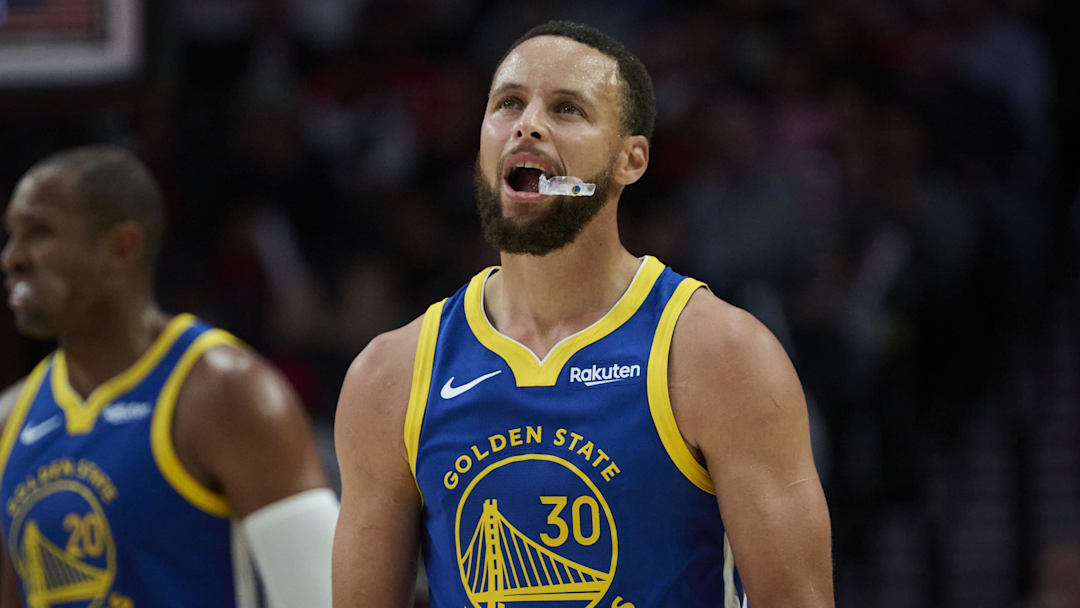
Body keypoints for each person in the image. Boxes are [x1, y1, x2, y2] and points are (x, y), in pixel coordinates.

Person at [333, 20, 834, 608]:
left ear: (631, 161)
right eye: (508, 104)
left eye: (567, 109)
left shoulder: (720, 354)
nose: (528, 124)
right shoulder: (388, 377)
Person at [0, 146, 338, 608]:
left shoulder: (228, 392)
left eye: (39, 233)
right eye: (11, 236)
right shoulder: (9, 419)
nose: (12, 258)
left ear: (121, 247)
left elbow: (321, 599)